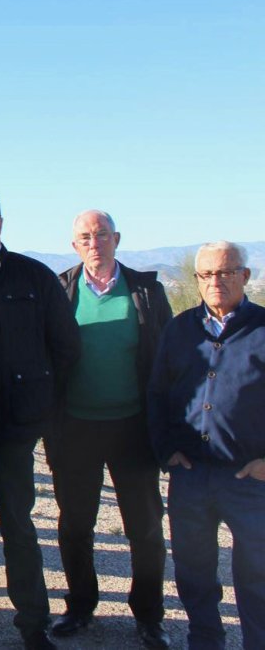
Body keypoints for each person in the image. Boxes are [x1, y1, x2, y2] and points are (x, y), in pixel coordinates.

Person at [0, 193, 80, 649]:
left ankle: (32, 626)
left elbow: (64, 349)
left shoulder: (33, 277)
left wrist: (41, 411)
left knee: (19, 531)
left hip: (13, 431)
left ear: (0, 225)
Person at [52, 210, 171, 648]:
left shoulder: (146, 289)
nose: (94, 242)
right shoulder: (60, 290)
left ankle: (149, 614)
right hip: (75, 428)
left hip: (133, 428)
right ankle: (80, 606)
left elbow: (165, 357)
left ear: (116, 239)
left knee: (144, 528)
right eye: (85, 236)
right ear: (75, 244)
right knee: (75, 525)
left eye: (102, 234)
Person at [148, 241, 265, 649]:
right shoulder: (180, 329)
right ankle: (205, 638)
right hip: (192, 474)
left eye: (226, 272)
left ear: (245, 277)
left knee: (257, 572)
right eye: (206, 274)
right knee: (193, 567)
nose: (216, 281)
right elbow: (158, 394)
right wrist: (167, 451)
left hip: (250, 477)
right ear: (196, 279)